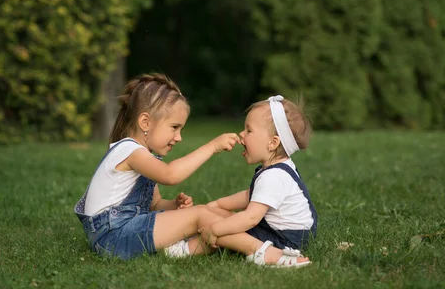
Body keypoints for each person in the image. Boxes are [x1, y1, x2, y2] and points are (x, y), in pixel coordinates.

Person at [74, 74, 309, 267]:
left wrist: (172, 206)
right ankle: (266, 254)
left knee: (203, 215)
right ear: (145, 123)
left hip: (121, 231)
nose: (178, 137)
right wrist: (212, 146)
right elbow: (170, 175)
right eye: (174, 128)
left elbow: (154, 205)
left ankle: (189, 248)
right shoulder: (130, 151)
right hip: (112, 237)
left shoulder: (142, 155)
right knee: (201, 216)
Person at [200, 95, 317, 264]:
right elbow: (251, 195)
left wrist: (214, 229)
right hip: (290, 234)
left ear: (272, 143)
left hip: (284, 240)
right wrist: (219, 205)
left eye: (249, 130)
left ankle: (267, 254)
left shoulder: (274, 176)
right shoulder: (278, 168)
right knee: (217, 215)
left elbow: (250, 218)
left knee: (223, 229)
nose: (242, 134)